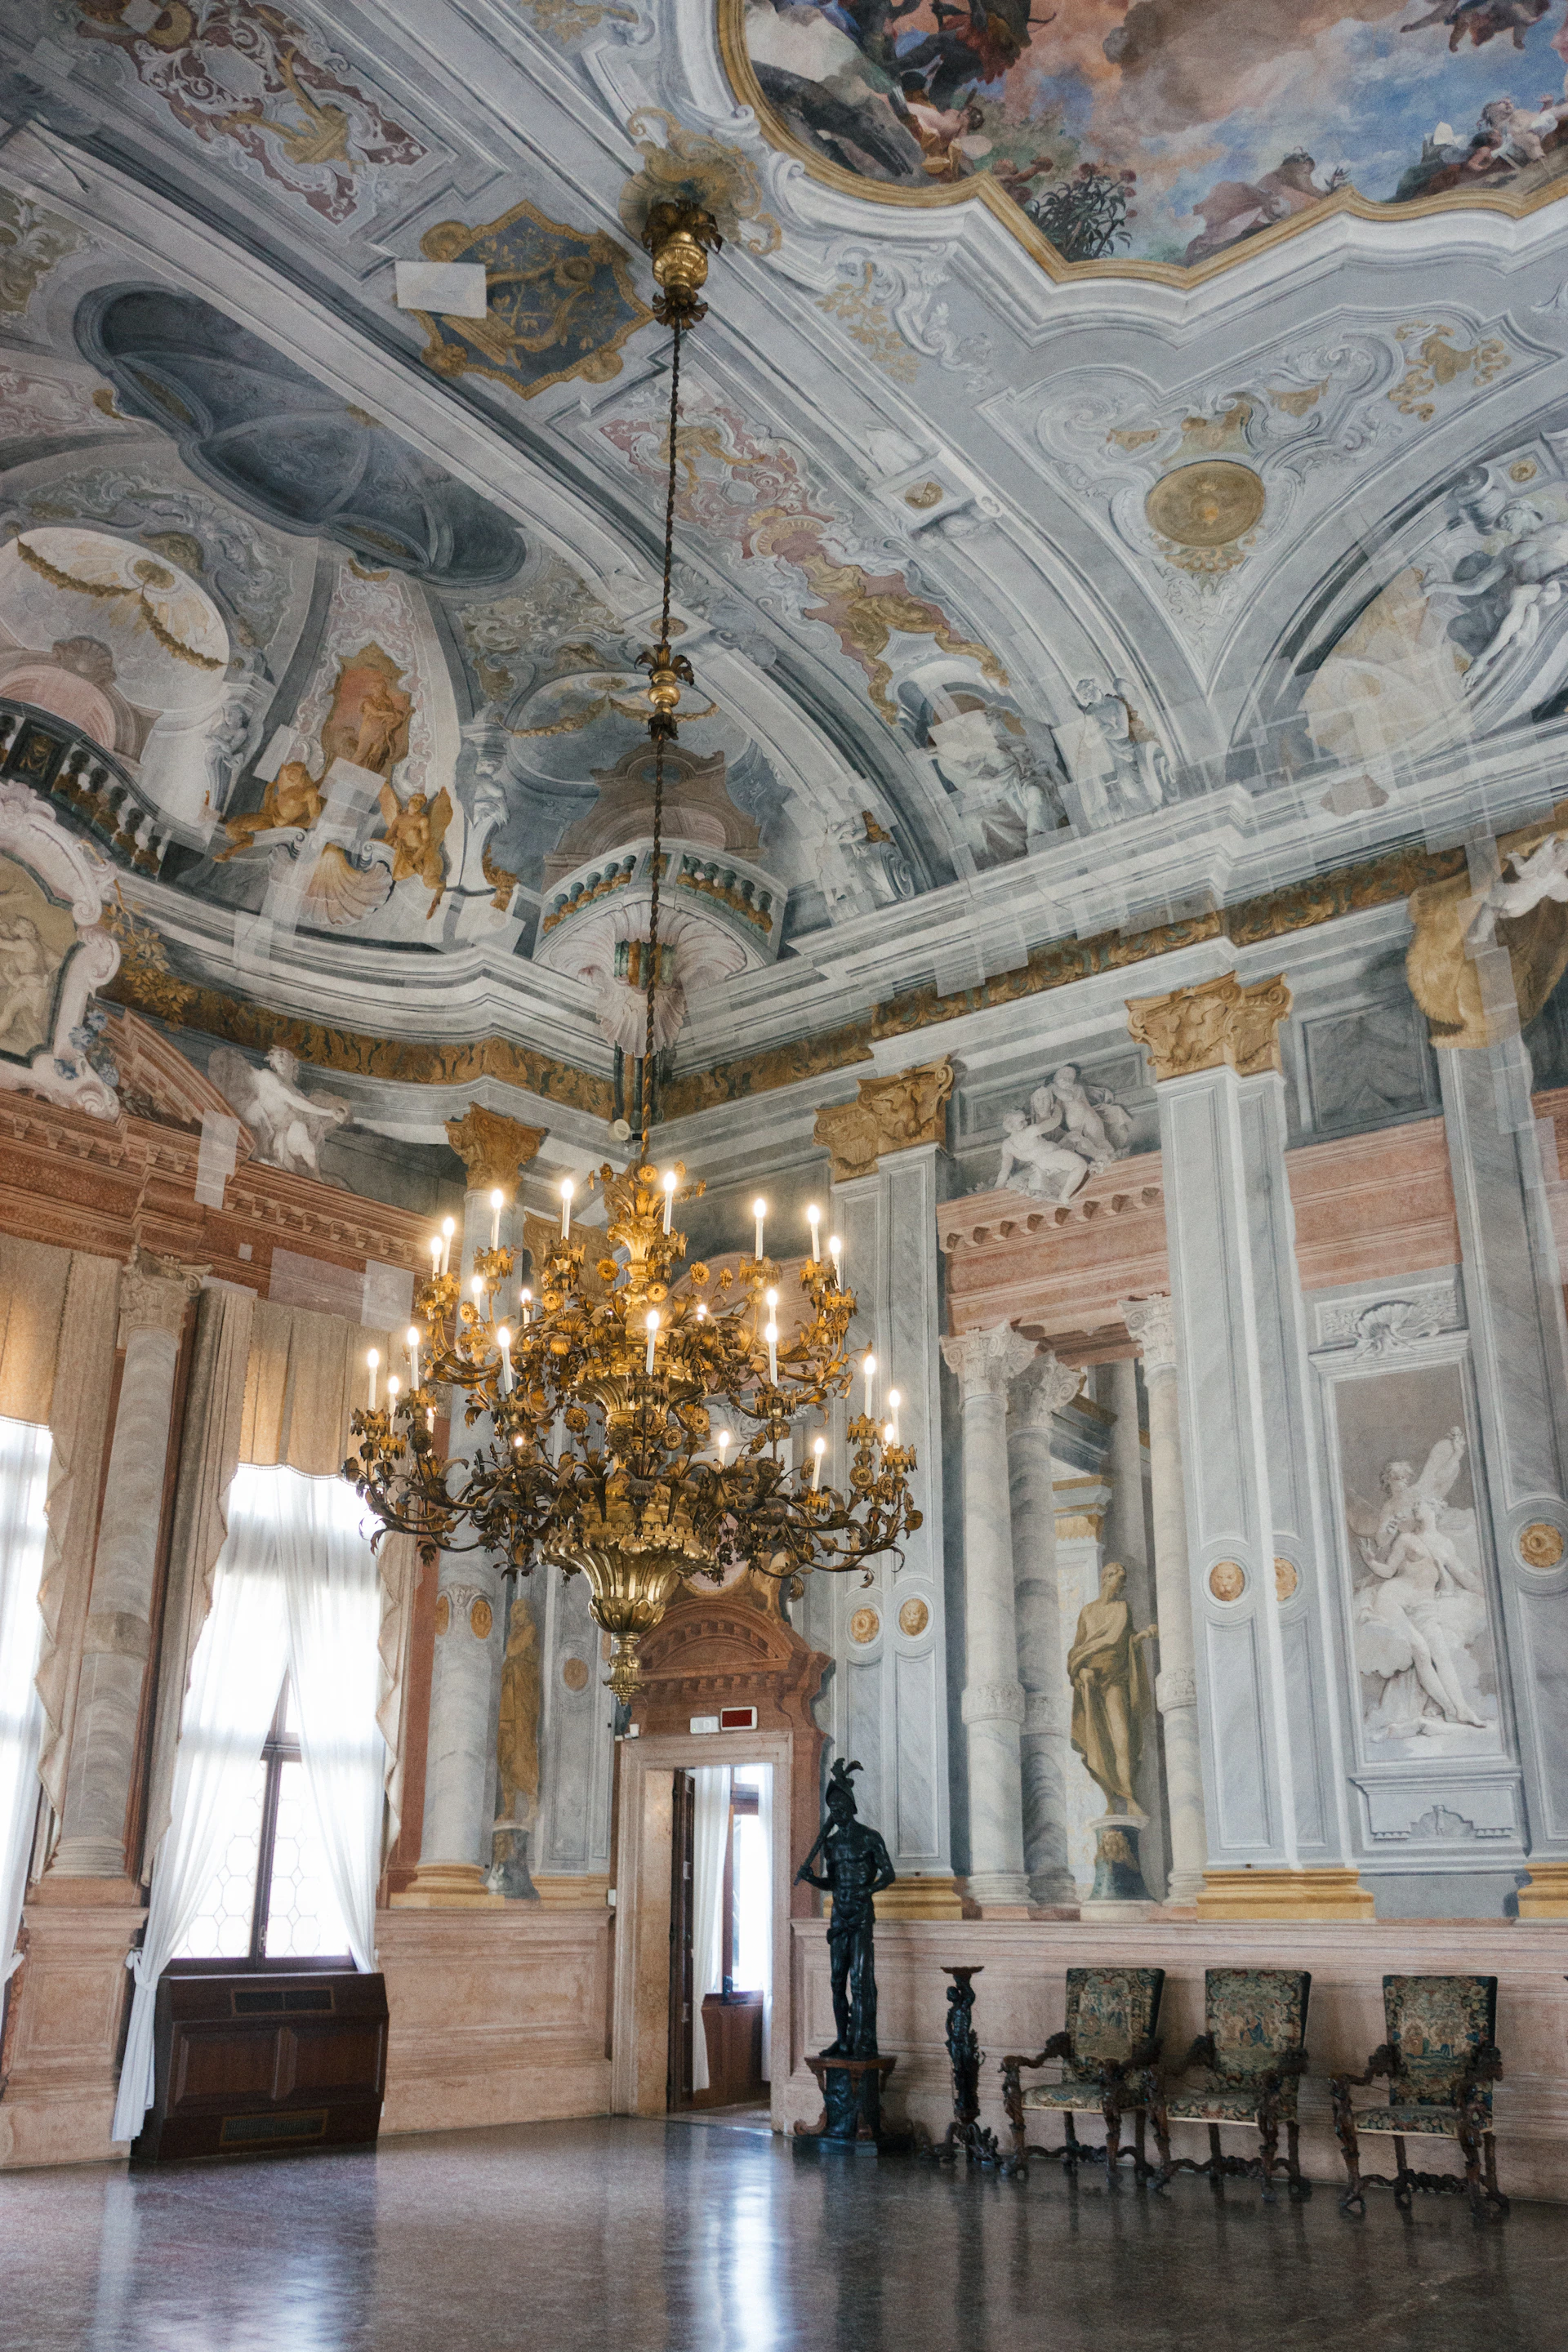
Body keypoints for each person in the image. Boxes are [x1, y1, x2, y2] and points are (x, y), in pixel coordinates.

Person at [795, 1757, 895, 2056]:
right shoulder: (831, 1844)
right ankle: (842, 2039)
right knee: (837, 1980)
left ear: (851, 1807)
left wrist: (868, 1889)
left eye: (840, 1808)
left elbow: (888, 1873)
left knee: (860, 1980)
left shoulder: (870, 1838)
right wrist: (813, 1880)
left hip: (862, 1917)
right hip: (839, 1918)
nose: (836, 1813)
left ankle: (863, 2040)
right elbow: (833, 1883)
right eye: (832, 1809)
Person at [1067, 1561, 1156, 1811]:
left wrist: (1144, 1636)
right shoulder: (1087, 1612)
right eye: (1121, 1577)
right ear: (1107, 1577)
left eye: (1125, 1578)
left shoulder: (1122, 1608)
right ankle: (1109, 1799)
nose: (1124, 1583)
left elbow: (1126, 1640)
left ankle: (1128, 1797)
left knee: (1121, 1739)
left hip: (1114, 1681)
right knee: (1096, 1741)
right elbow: (1076, 1649)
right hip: (1089, 1681)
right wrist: (1080, 1670)